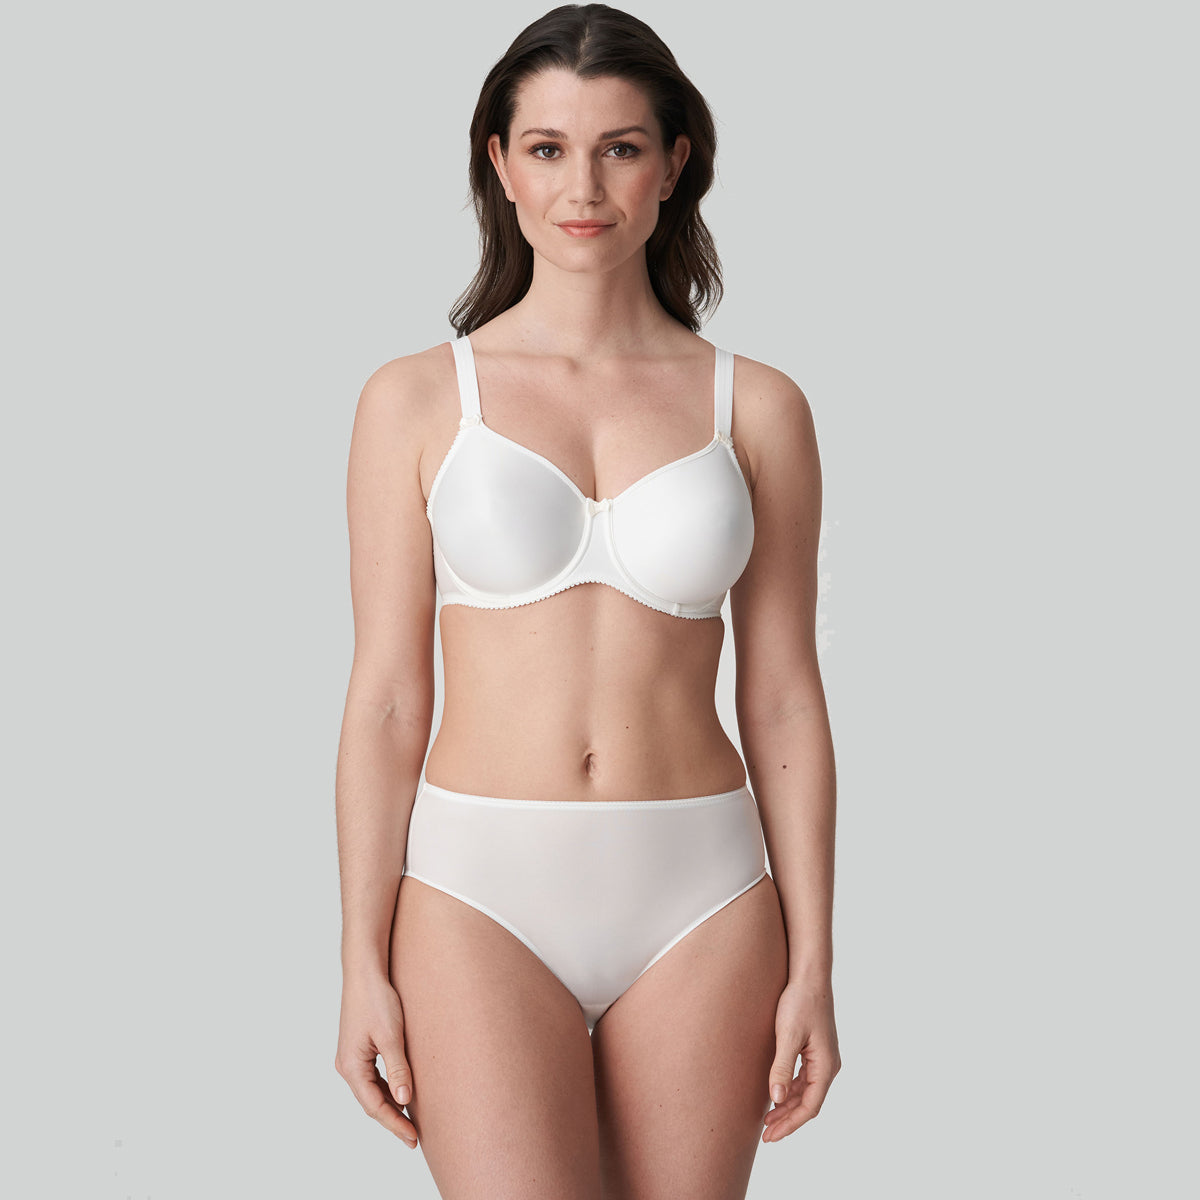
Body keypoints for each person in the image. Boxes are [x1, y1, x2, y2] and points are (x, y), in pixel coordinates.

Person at [333, 4, 840, 1196]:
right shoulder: (414, 400)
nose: (584, 186)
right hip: (476, 890)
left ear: (674, 164)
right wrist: (358, 957)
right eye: (549, 147)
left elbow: (783, 696)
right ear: (499, 164)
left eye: (620, 147)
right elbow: (389, 699)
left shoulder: (760, 407)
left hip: (703, 891)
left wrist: (816, 957)